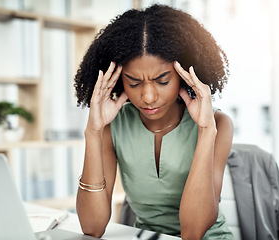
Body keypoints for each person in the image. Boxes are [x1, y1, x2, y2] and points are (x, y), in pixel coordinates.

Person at [74, 4, 234, 240]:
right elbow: (92, 226)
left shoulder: (218, 124)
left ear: (183, 75)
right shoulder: (115, 125)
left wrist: (206, 130)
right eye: (134, 82)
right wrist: (93, 132)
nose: (148, 97)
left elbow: (193, 232)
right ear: (119, 80)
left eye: (162, 80)